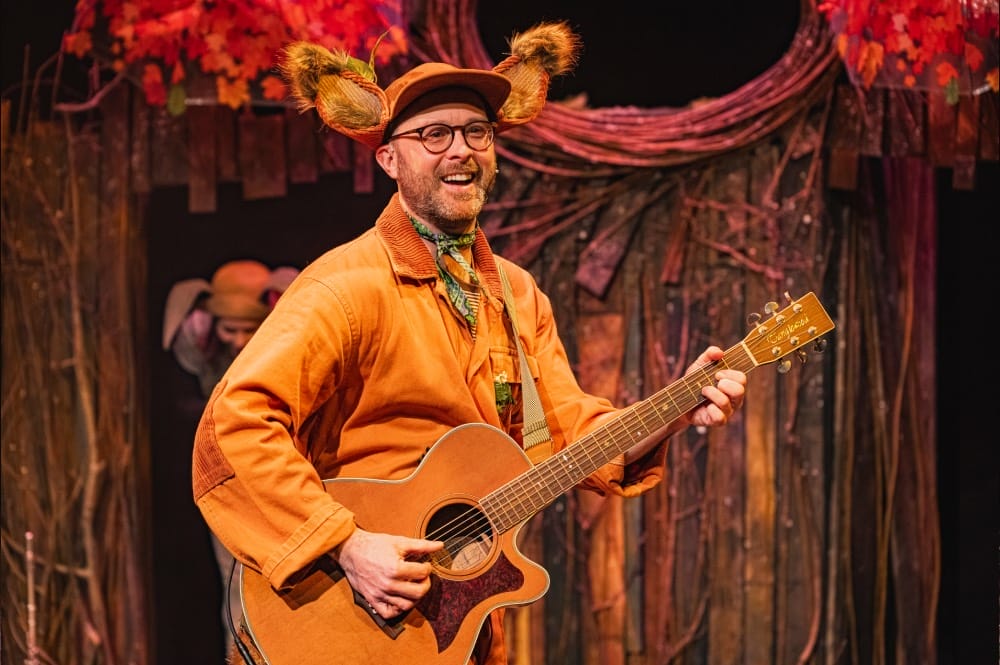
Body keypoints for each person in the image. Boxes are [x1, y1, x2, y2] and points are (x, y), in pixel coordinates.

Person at [191, 21, 747, 665]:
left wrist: (671, 413)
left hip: (455, 632)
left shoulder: (515, 294)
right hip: (345, 617)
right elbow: (234, 427)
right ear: (388, 158)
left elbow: (565, 432)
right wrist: (344, 542)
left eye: (476, 132)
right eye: (433, 134)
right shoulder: (345, 287)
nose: (460, 150)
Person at [162, 259, 298, 657]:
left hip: (278, 477)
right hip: (226, 480)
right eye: (230, 329)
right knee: (235, 584)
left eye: (248, 329)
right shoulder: (207, 355)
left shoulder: (281, 354)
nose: (239, 340)